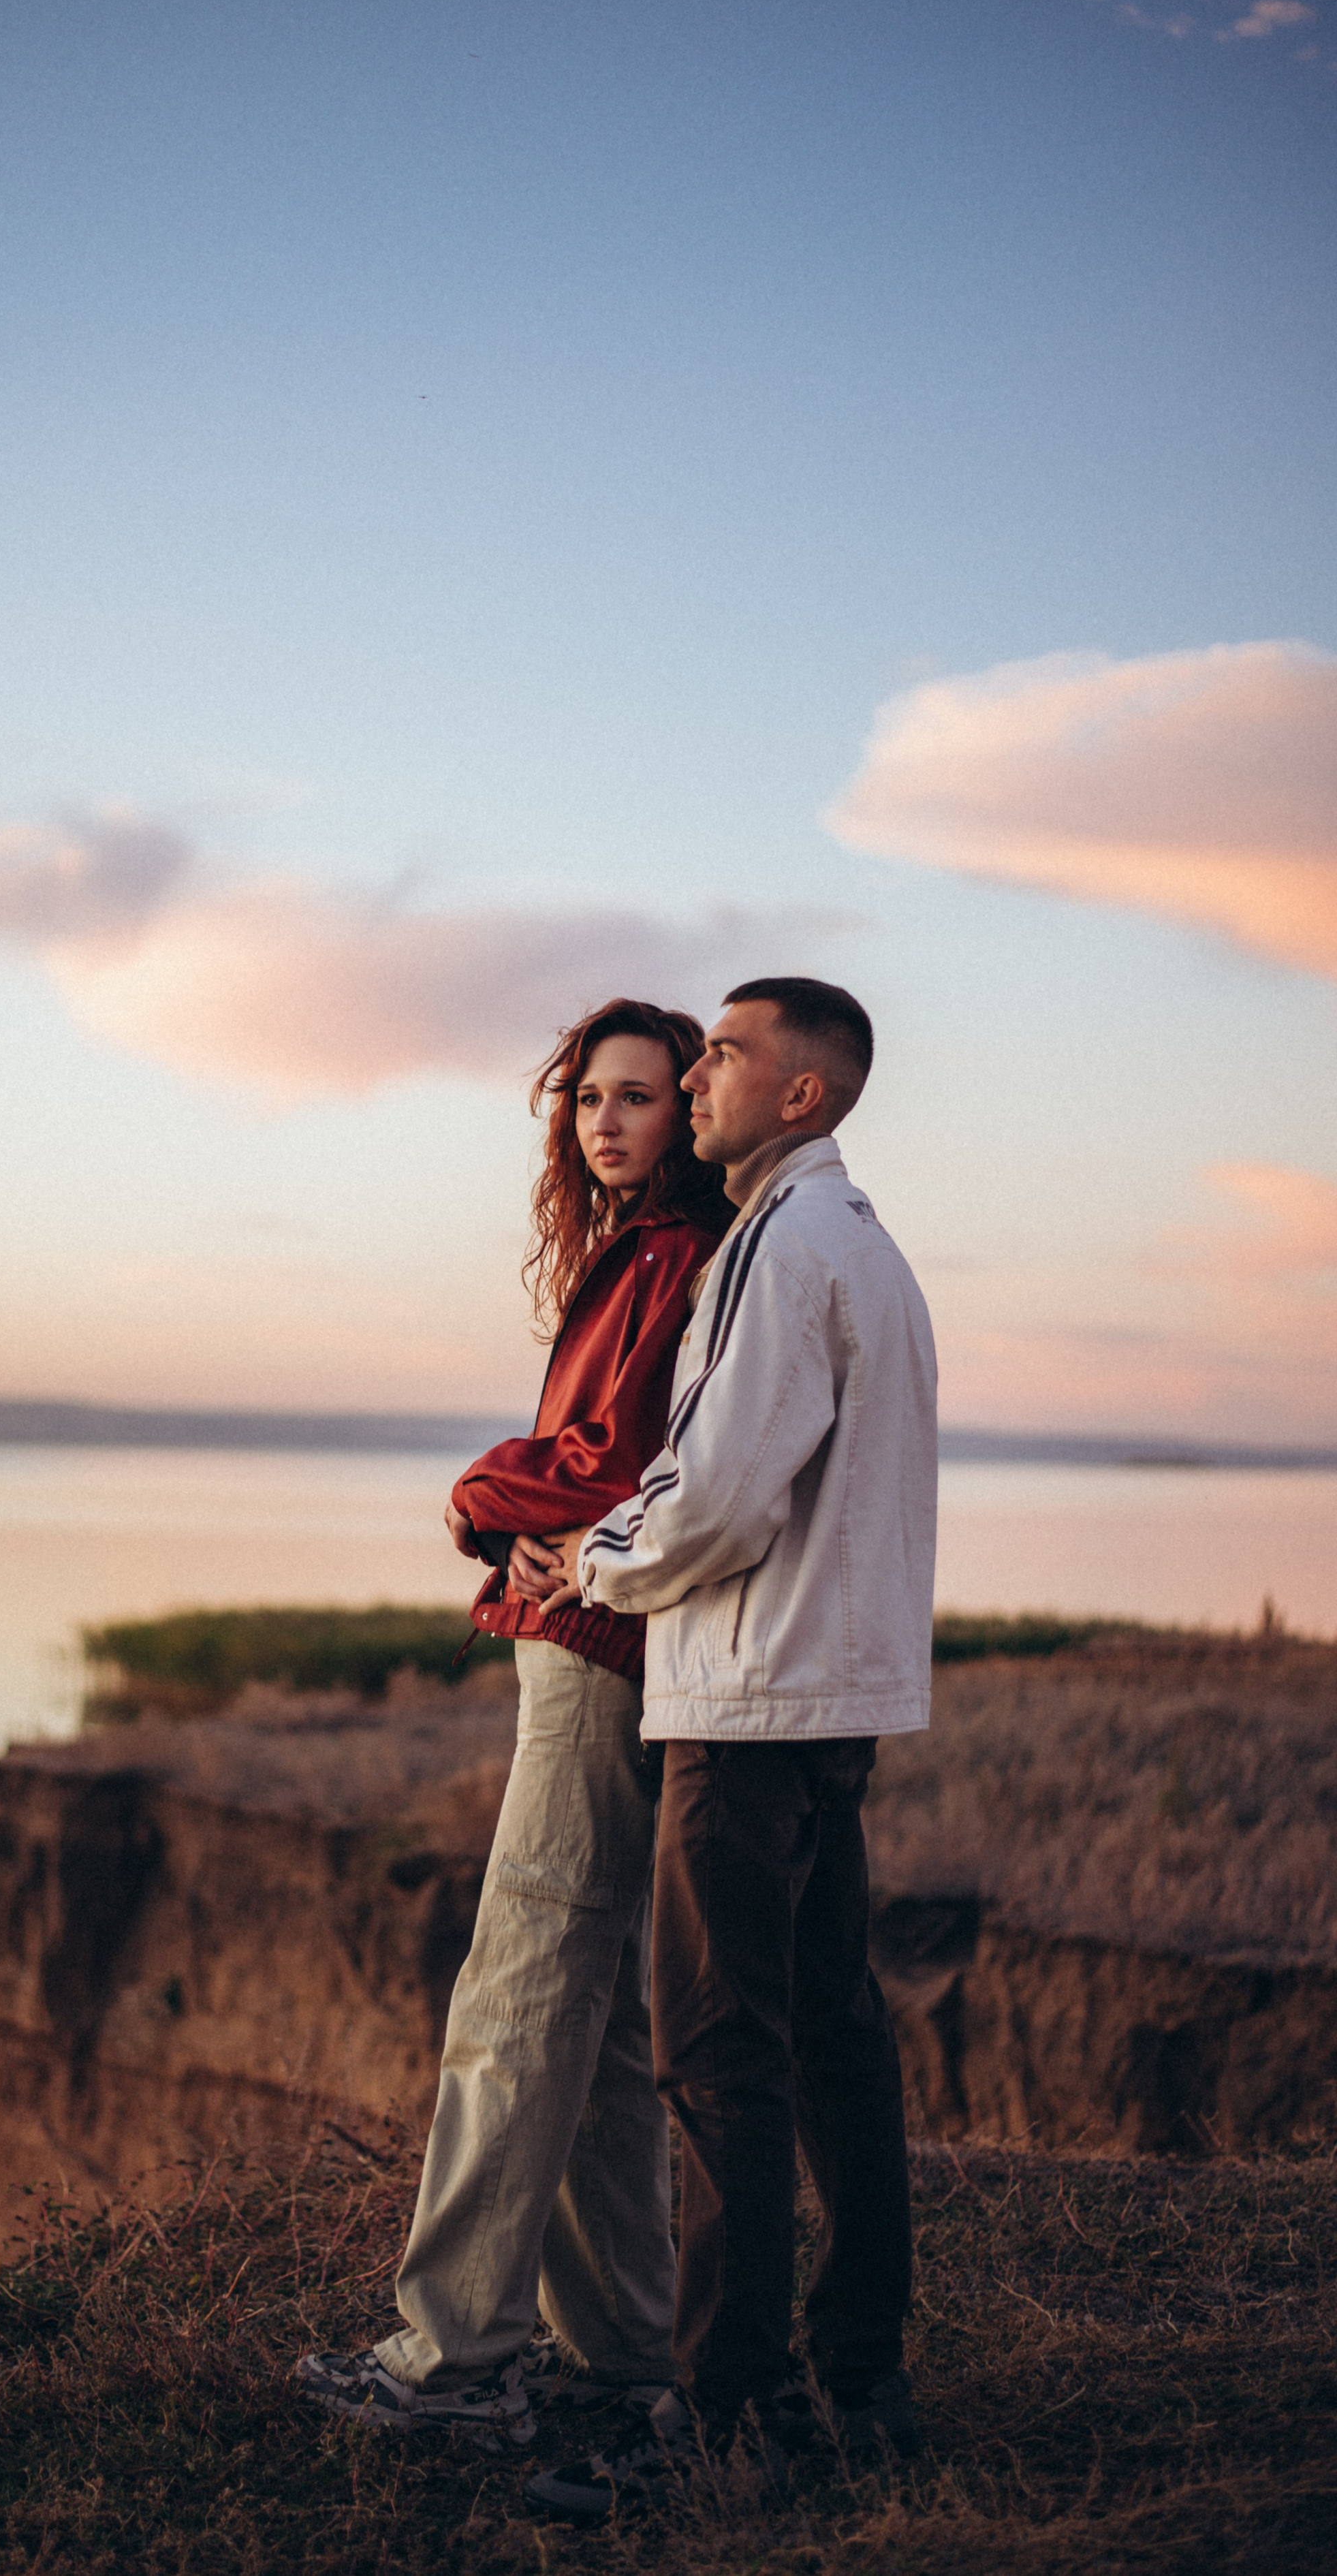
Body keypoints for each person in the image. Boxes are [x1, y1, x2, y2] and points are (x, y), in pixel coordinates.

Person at [519, 978, 938, 2524]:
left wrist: (588, 1562)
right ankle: (862, 2382)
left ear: (802, 1095)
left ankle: (728, 2422)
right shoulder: (865, 1249)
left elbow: (712, 1495)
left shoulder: (781, 1250)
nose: (693, 1077)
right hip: (831, 1705)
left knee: (717, 2062)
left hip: (747, 1709)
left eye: (723, 1056)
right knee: (834, 2045)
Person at [297, 996, 734, 2452]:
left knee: (517, 1996)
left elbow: (604, 1462)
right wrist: (525, 1517)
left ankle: (448, 2361)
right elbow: (602, 1479)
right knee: (590, 2018)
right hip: (599, 1636)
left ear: (691, 1110)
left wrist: (479, 1500)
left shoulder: (669, 1258)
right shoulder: (637, 1255)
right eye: (589, 1099)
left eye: (639, 1096)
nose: (605, 1120)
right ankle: (618, 2351)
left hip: (597, 1649)